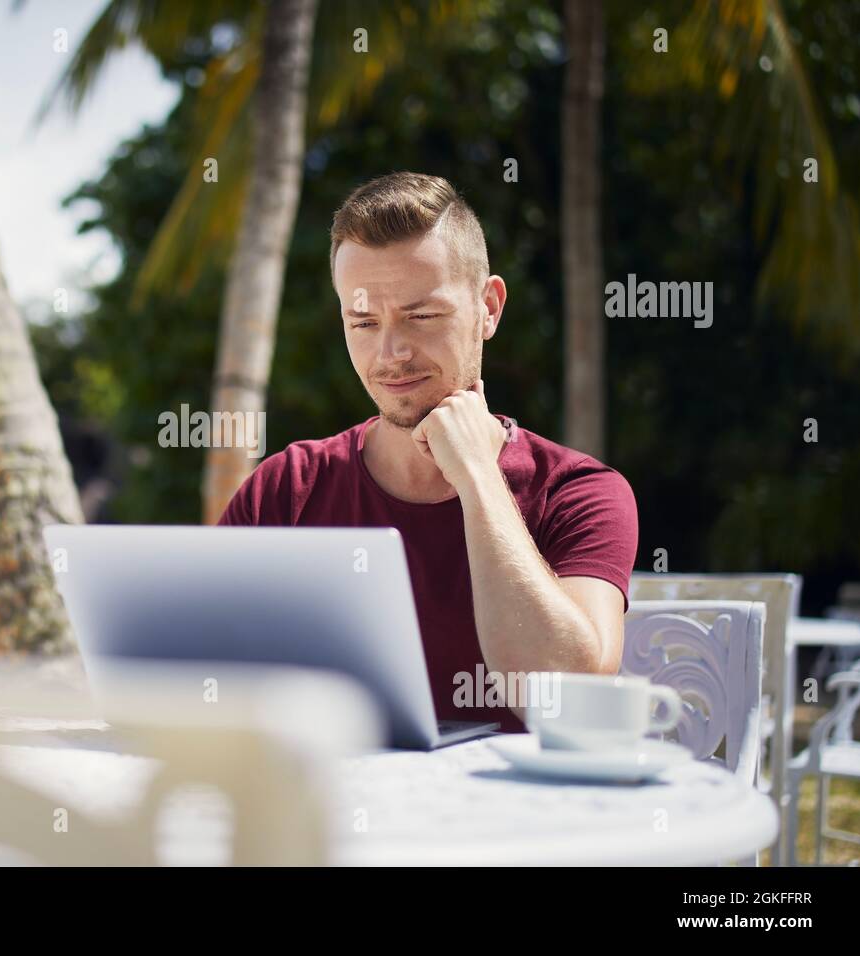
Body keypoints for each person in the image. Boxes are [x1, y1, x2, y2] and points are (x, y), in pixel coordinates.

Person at [218, 172, 638, 731]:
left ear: (488, 308)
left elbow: (565, 696)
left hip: (515, 815)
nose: (390, 353)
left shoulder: (579, 492)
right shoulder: (286, 488)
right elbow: (199, 678)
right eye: (363, 322)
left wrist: (477, 477)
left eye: (421, 316)